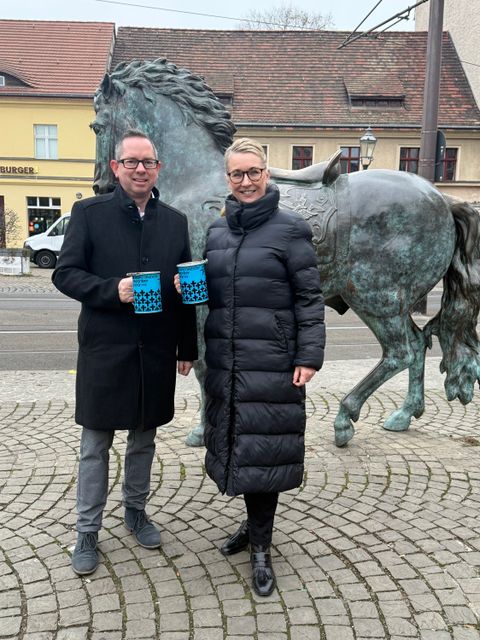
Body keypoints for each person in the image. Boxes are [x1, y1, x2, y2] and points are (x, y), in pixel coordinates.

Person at [176, 137, 325, 596]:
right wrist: (189, 289)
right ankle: (252, 527)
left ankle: (261, 547)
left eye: (253, 172)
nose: (246, 181)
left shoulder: (290, 229)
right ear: (228, 178)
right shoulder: (218, 232)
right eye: (237, 174)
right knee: (238, 443)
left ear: (267, 173)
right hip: (227, 359)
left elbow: (309, 298)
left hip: (274, 362)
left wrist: (308, 356)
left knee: (265, 449)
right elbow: (213, 297)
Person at [53, 129, 197, 576]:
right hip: (104, 350)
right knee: (95, 444)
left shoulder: (174, 221)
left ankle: (135, 511)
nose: (140, 169)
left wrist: (187, 346)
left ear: (158, 168)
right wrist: (110, 290)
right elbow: (65, 274)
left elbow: (187, 287)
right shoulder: (88, 213)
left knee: (145, 439)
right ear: (115, 168)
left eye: (148, 162)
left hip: (154, 350)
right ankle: (87, 530)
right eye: (131, 162)